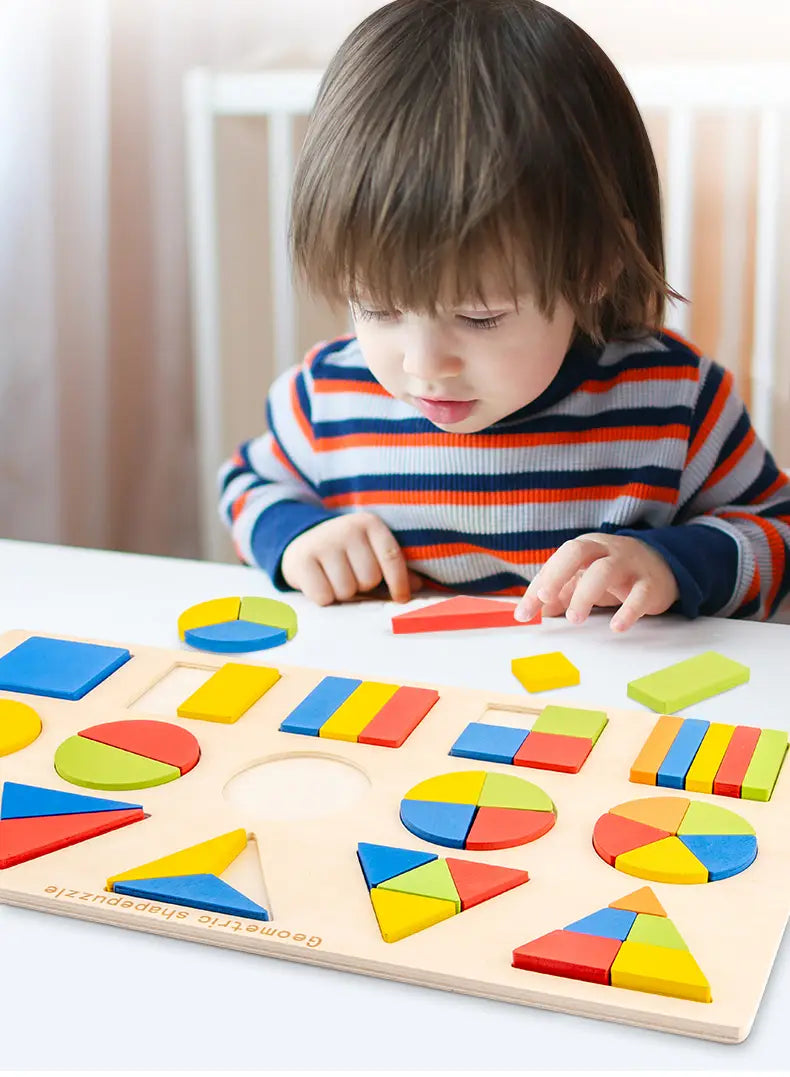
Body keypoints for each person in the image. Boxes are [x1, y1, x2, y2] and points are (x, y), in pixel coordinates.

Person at [218, 0, 790, 632]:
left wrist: (667, 564)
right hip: (402, 706)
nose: (423, 365)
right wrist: (298, 539)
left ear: (593, 264)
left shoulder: (676, 404)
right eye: (378, 307)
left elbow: (777, 532)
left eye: (480, 316)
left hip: (600, 712)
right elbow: (245, 485)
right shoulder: (328, 398)